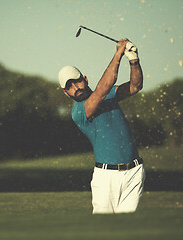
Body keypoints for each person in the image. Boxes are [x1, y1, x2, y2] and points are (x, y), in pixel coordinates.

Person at [58, 39, 145, 214]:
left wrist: (133, 60)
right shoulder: (79, 112)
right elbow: (101, 90)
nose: (75, 87)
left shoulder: (109, 94)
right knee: (103, 230)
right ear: (66, 93)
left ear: (85, 79)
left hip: (135, 172)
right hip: (106, 178)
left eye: (76, 81)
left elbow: (135, 86)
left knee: (128, 230)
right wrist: (118, 53)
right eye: (69, 86)